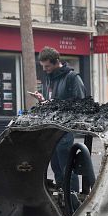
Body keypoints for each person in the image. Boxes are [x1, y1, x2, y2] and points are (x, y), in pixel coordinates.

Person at [33, 46, 86, 187]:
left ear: (57, 62)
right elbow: (53, 102)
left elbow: (81, 102)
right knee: (56, 167)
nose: (45, 69)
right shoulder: (50, 78)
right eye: (43, 66)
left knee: (67, 168)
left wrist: (57, 104)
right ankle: (62, 198)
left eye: (47, 66)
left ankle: (73, 200)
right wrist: (43, 101)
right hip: (52, 129)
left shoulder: (72, 78)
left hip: (65, 129)